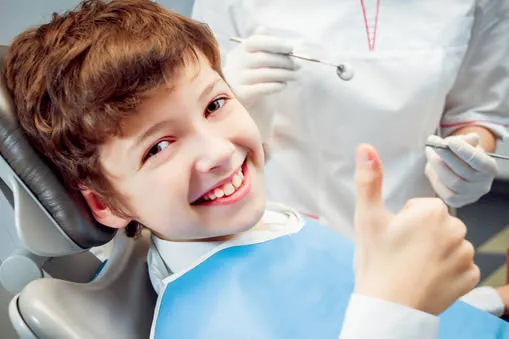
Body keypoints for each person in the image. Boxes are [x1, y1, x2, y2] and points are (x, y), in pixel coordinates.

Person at [3, 1, 508, 338]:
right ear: (103, 203)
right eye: (158, 147)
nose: (220, 152)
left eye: (215, 104)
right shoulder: (204, 319)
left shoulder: (273, 229)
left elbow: (332, 306)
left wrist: (488, 301)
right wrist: (398, 308)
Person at [191, 0, 509, 237]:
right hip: (279, 220)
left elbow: (476, 110)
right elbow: (186, 115)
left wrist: (468, 161)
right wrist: (225, 96)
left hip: (412, 227)